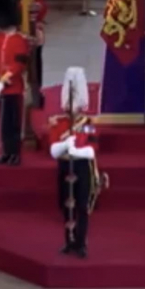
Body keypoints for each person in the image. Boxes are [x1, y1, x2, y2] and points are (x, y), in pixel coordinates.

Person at [48, 67, 100, 259]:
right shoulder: (58, 123)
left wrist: (75, 149)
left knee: (82, 207)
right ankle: (68, 240)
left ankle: (81, 242)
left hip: (81, 167)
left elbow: (92, 150)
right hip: (64, 166)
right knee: (66, 205)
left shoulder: (88, 123)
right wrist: (64, 146)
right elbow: (53, 150)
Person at [0, 0, 29, 166]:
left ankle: (15, 153)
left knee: (13, 123)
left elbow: (19, 66)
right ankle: (6, 152)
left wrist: (4, 80)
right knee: (4, 123)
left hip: (14, 88)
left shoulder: (19, 40)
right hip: (1, 88)